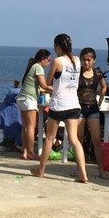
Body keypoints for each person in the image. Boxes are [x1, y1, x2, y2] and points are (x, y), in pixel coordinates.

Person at [30, 33, 88, 183]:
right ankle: (83, 174)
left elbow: (48, 81)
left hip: (58, 104)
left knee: (50, 137)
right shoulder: (77, 61)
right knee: (74, 140)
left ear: (57, 46)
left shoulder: (57, 61)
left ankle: (41, 171)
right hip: (74, 104)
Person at [76, 47, 108, 177]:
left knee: (97, 140)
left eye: (89, 60)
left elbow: (104, 86)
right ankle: (79, 169)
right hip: (79, 109)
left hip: (93, 109)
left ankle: (101, 170)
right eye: (83, 60)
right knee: (79, 139)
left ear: (94, 60)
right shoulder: (77, 73)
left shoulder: (98, 73)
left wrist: (100, 101)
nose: (86, 62)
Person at [16, 49, 52, 160]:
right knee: (32, 126)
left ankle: (25, 151)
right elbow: (44, 85)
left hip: (21, 98)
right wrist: (56, 90)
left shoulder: (33, 67)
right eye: (48, 60)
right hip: (29, 99)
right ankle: (31, 152)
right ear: (43, 59)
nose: (49, 63)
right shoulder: (38, 67)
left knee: (26, 126)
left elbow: (39, 87)